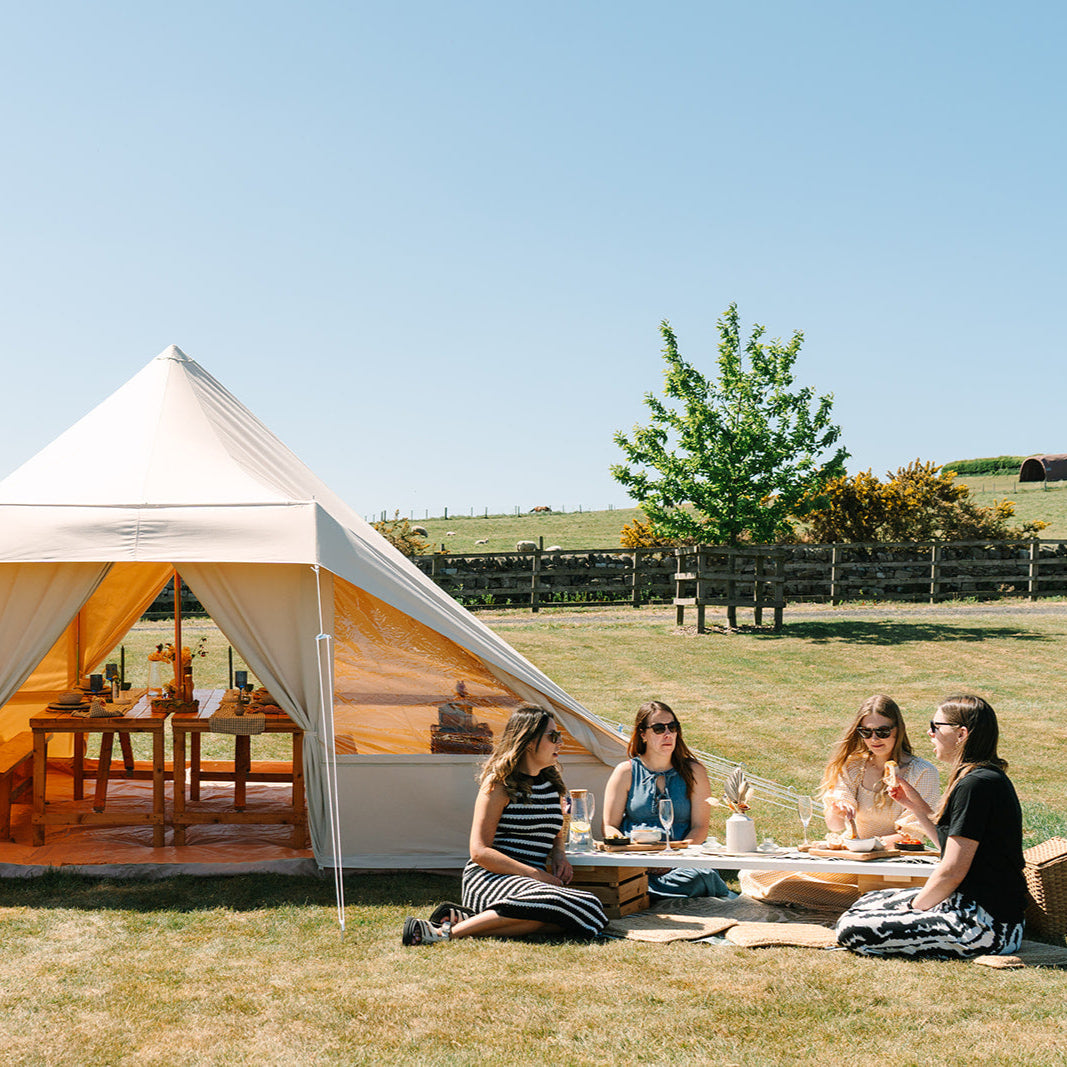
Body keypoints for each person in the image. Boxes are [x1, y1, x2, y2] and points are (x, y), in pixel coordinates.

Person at [836, 693, 1027, 959]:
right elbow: (949, 846)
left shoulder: (978, 785)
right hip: (964, 905)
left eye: (936, 726)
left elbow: (952, 870)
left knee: (851, 928)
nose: (929, 732)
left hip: (985, 925)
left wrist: (915, 907)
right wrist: (915, 805)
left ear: (961, 734)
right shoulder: (975, 777)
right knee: (865, 903)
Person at [402, 704, 606, 945]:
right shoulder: (499, 784)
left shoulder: (552, 783)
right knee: (548, 906)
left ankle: (471, 920)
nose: (560, 742)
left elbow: (554, 829)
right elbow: (479, 851)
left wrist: (559, 854)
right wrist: (536, 874)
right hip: (491, 877)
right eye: (553, 736)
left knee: (591, 906)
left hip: (532, 886)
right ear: (530, 741)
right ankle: (442, 933)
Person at [740, 695, 940, 907]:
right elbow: (834, 825)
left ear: (898, 729)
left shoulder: (922, 772)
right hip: (849, 857)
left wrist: (864, 846)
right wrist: (838, 809)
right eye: (866, 732)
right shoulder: (853, 766)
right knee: (752, 874)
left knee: (783, 888)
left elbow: (912, 834)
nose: (874, 739)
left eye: (883, 731)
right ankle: (864, 901)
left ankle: (867, 899)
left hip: (893, 861)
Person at [603, 700, 733, 900]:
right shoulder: (626, 772)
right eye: (658, 728)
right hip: (638, 861)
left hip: (683, 859)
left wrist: (674, 859)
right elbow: (610, 826)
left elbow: (700, 827)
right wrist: (636, 858)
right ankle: (649, 892)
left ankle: (646, 896)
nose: (668, 734)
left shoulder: (694, 771)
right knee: (627, 880)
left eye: (672, 727)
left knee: (699, 876)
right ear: (642, 734)